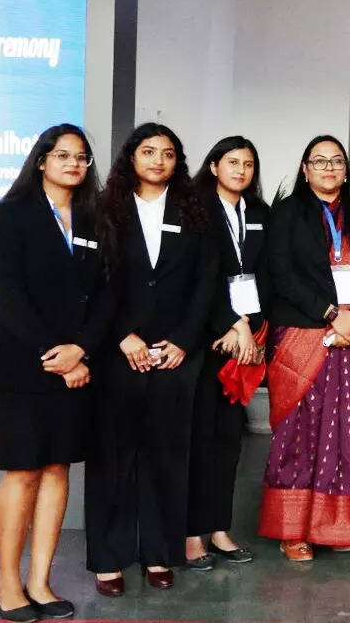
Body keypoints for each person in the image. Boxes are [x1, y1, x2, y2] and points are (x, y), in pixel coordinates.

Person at [0, 124, 110, 621]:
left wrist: (81, 351)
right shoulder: (10, 215)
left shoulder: (96, 219)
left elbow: (107, 295)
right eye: (63, 155)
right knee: (25, 468)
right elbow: (9, 295)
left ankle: (40, 582)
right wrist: (56, 354)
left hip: (76, 362)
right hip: (20, 363)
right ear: (41, 160)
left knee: (57, 467)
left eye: (81, 157)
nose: (73, 163)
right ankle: (7, 586)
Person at [86, 123, 218, 595]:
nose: (158, 160)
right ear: (131, 157)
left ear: (177, 161)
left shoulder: (195, 209)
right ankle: (109, 559)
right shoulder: (105, 209)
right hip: (118, 351)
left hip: (176, 354)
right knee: (114, 457)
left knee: (167, 456)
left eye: (168, 153)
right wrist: (122, 336)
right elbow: (95, 279)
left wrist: (183, 340)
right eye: (148, 151)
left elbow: (206, 282)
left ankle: (159, 554)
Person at [259, 135, 350, 561]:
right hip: (301, 332)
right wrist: (330, 313)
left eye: (337, 161)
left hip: (346, 335)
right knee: (300, 431)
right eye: (320, 161)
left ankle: (336, 525)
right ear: (305, 168)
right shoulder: (287, 213)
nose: (329, 168)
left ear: (346, 170)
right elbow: (281, 273)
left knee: (342, 430)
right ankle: (293, 530)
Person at [184, 136, 272, 571]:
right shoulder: (195, 209)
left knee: (228, 440)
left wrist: (252, 330)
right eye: (233, 162)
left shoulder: (259, 213)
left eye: (248, 164)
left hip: (245, 342)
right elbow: (197, 276)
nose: (241, 170)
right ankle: (190, 535)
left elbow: (267, 275)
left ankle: (219, 529)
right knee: (197, 440)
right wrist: (229, 325)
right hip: (209, 339)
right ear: (214, 166)